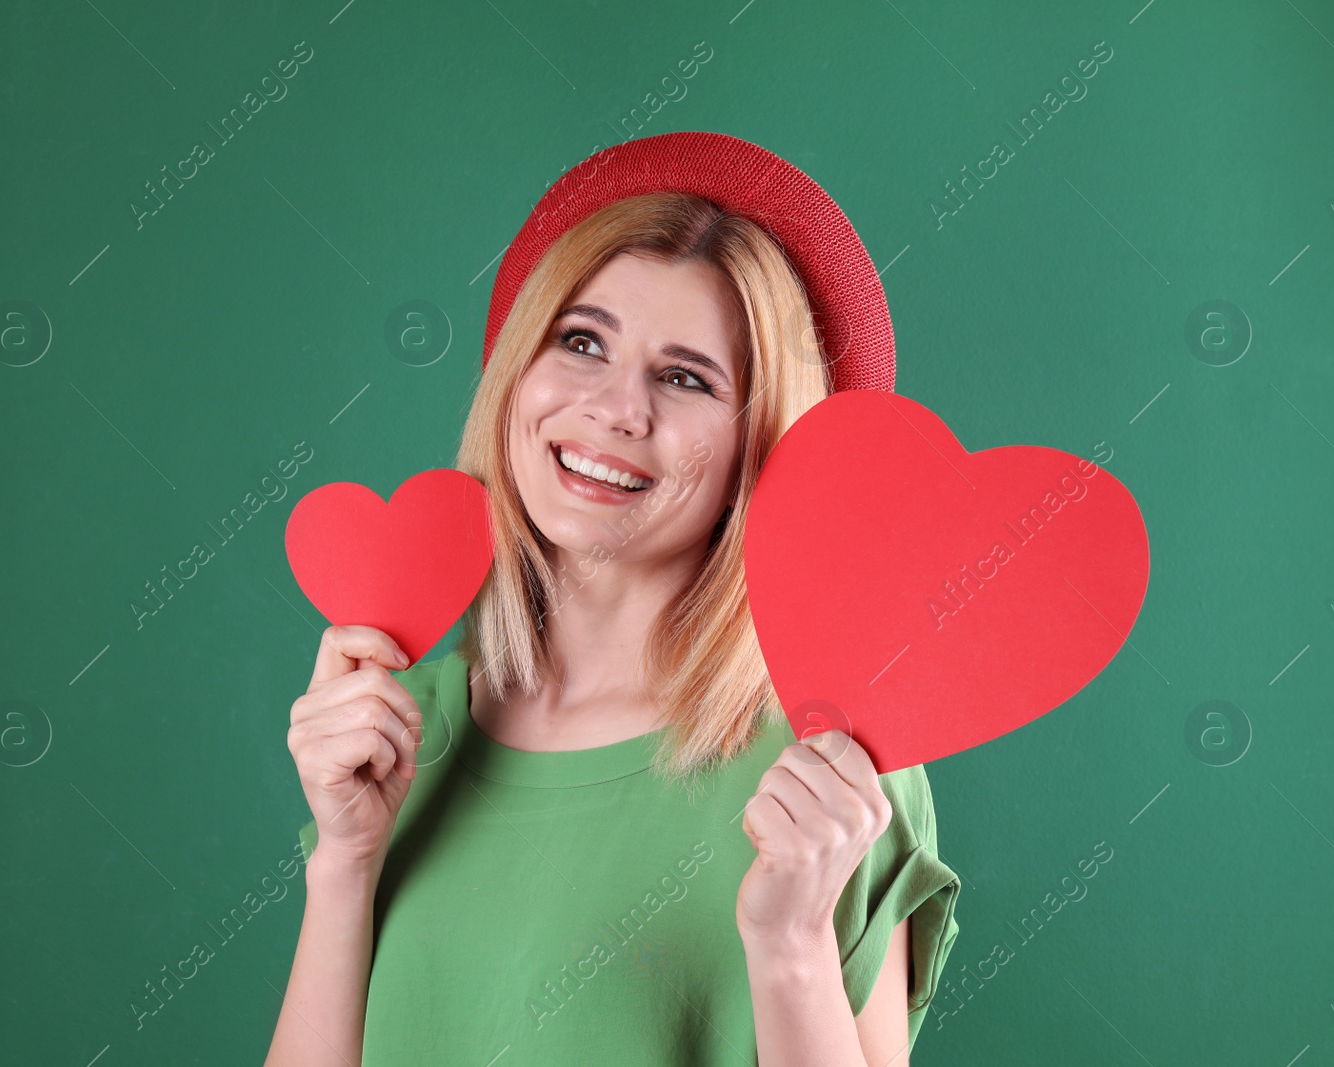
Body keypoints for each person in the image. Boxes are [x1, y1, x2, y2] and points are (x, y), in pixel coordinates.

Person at [266, 133, 960, 1066]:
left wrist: (793, 948)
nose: (616, 408)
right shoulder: (399, 730)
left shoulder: (828, 771)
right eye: (581, 341)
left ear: (759, 456)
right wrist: (344, 864)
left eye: (685, 378)